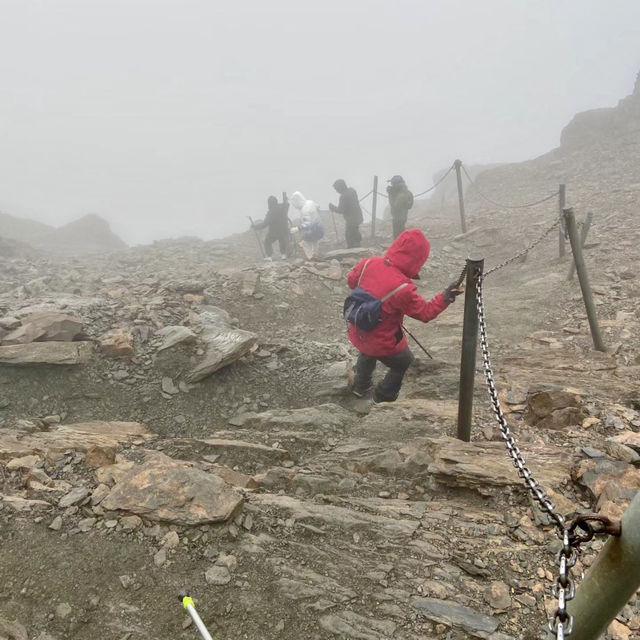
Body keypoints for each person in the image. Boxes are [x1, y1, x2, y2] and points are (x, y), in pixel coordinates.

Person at [346, 228, 462, 403]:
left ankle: (361, 386)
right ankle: (382, 397)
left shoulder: (368, 262)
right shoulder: (403, 288)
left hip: (358, 328)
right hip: (383, 342)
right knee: (405, 366)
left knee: (367, 350)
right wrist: (446, 297)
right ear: (418, 259)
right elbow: (425, 313)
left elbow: (351, 281)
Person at [252, 195, 290, 261]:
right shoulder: (282, 207)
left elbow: (265, 224)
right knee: (282, 240)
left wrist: (256, 227)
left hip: (274, 232)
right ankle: (283, 255)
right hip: (284, 230)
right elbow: (287, 205)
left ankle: (269, 256)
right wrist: (285, 200)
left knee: (267, 241)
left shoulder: (271, 212)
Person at [329, 179, 363, 248]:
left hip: (351, 219)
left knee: (349, 235)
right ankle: (358, 245)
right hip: (358, 216)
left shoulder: (343, 196)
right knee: (355, 231)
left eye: (337, 189)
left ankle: (353, 249)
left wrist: (332, 207)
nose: (336, 191)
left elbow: (340, 210)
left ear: (340, 187)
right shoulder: (352, 191)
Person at [289, 191, 324, 259]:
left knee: (304, 242)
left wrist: (297, 228)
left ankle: (310, 257)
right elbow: (318, 206)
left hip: (313, 230)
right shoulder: (310, 202)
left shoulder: (305, 209)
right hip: (319, 228)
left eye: (295, 205)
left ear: (298, 201)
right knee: (314, 242)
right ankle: (316, 255)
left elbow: (308, 223)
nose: (295, 207)